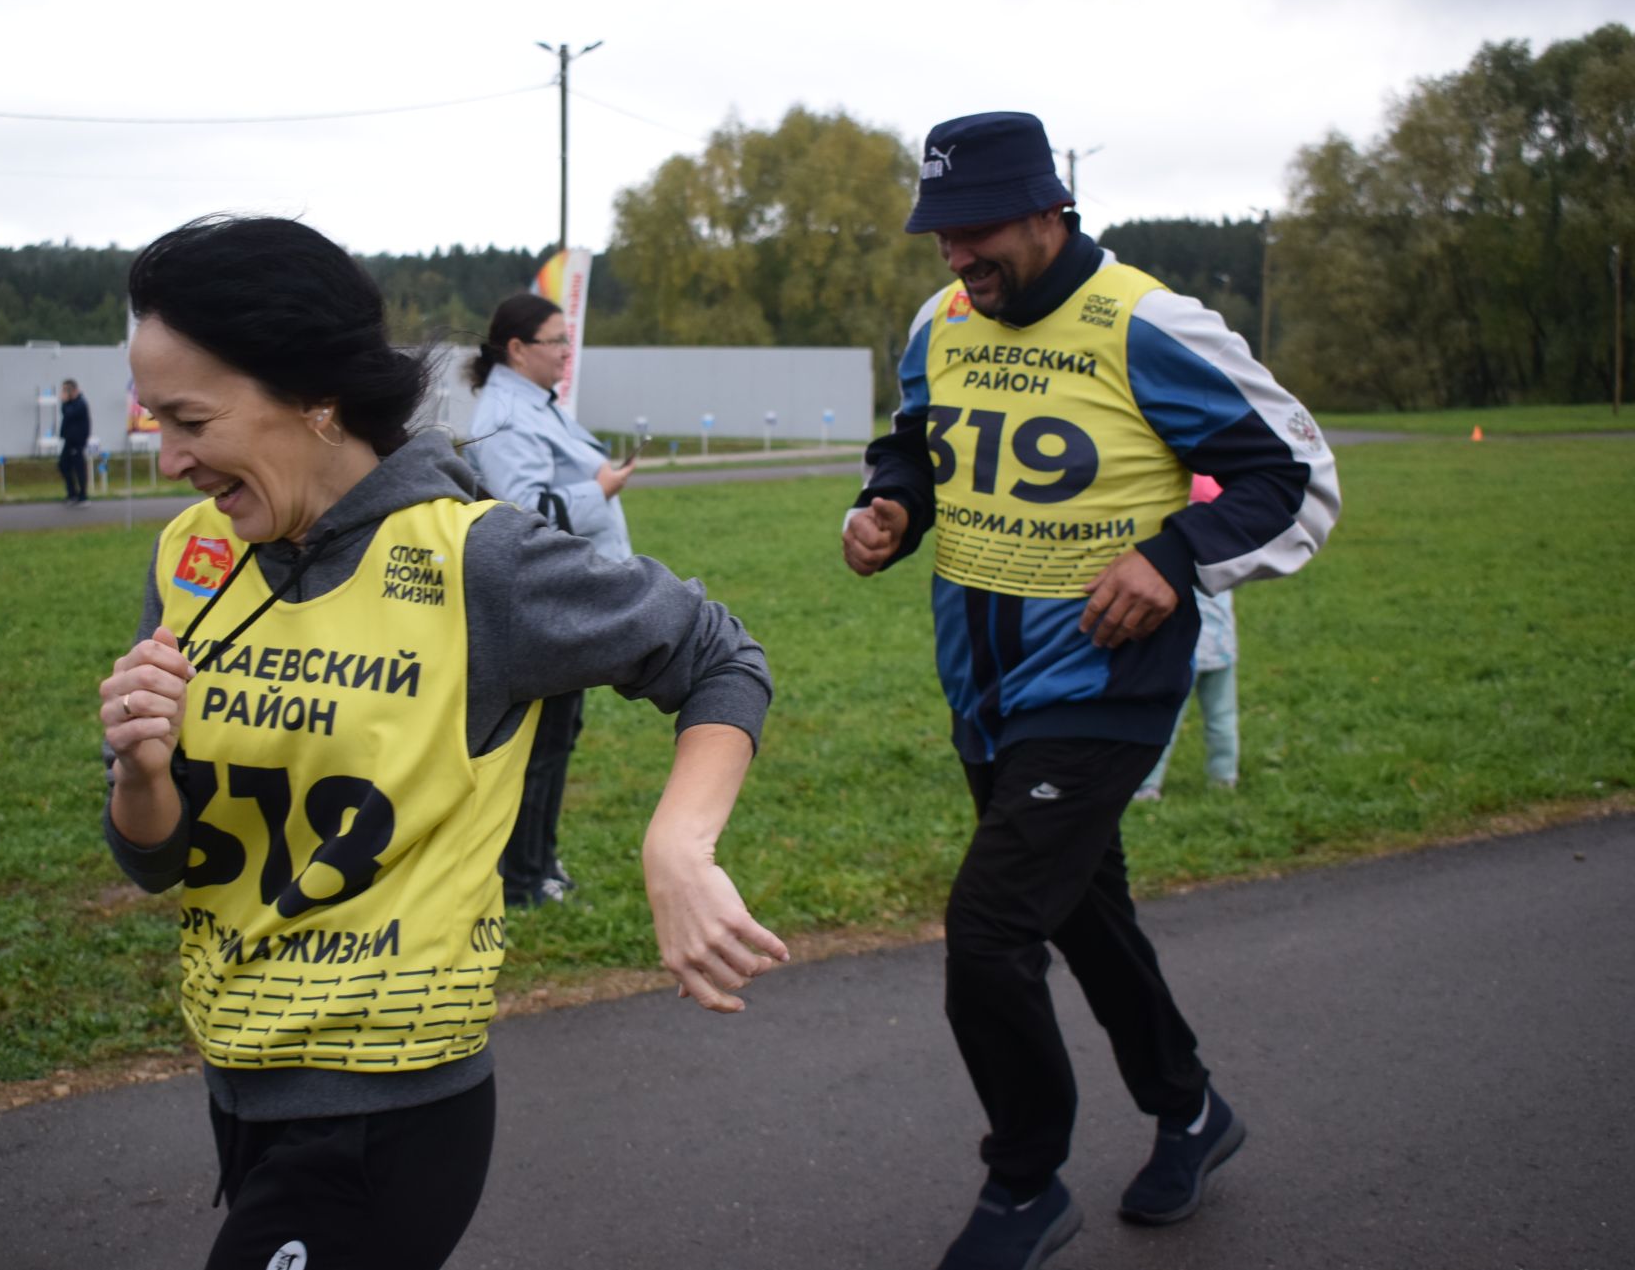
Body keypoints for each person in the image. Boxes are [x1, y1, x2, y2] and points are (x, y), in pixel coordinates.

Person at [99, 215, 784, 1270]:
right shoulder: (193, 553)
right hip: (236, 1074)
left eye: (189, 418)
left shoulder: (480, 561)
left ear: (314, 396)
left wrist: (679, 847)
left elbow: (718, 654)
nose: (169, 456)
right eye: (157, 419)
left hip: (389, 1104)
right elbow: (159, 861)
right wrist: (142, 770)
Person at [841, 112, 1339, 1270]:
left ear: (1047, 210)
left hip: (1102, 684)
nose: (958, 260)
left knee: (990, 930)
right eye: (939, 237)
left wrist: (1172, 559)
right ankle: (1193, 1109)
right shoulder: (942, 320)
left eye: (976, 234)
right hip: (983, 683)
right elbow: (913, 440)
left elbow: (1294, 478)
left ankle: (1025, 1183)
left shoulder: (1150, 323)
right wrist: (892, 507)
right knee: (1083, 914)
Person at [463, 292, 635, 907]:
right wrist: (602, 488)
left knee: (557, 733)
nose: (567, 352)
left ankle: (538, 861)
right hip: (543, 599)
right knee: (542, 741)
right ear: (517, 348)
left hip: (566, 594)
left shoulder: (533, 404)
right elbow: (524, 511)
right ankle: (523, 878)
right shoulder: (506, 413)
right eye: (556, 341)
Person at [1135, 476, 1239, 801]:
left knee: (1164, 719)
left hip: (1184, 652)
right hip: (1223, 649)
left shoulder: (1170, 558)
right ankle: (1224, 778)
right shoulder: (1222, 555)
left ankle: (1147, 784)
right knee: (1222, 717)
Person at [58, 378, 91, 502]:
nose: (64, 393)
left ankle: (82, 496)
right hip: (69, 440)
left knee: (79, 468)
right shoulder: (71, 403)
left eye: (66, 390)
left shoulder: (80, 403)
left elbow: (69, 414)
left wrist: (65, 402)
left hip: (77, 442)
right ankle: (72, 493)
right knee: (63, 465)